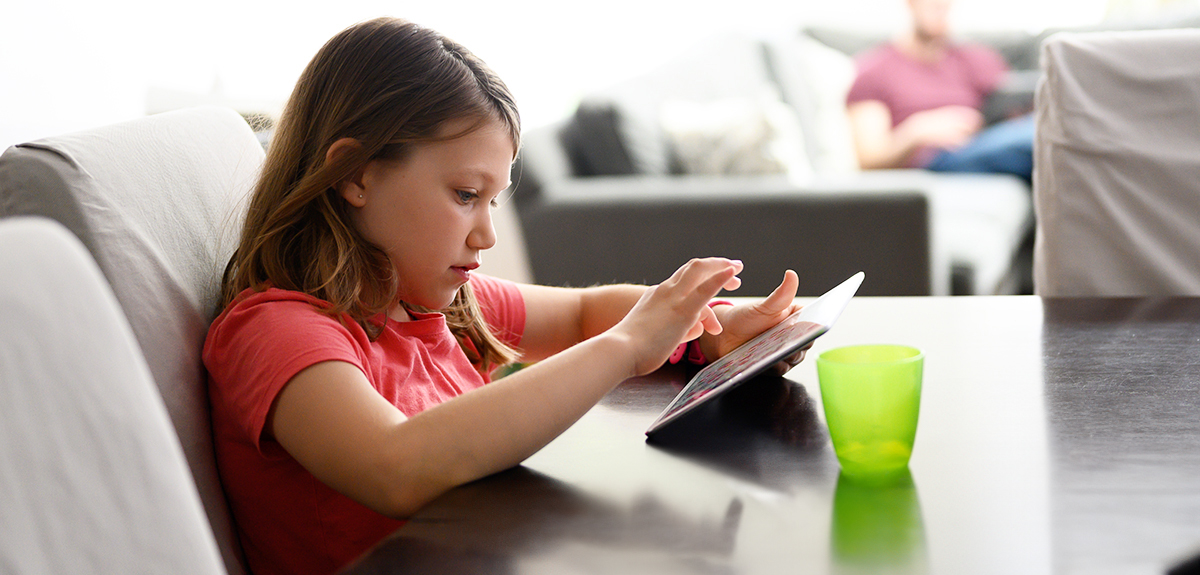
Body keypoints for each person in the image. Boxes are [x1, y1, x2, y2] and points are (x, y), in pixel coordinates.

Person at [203, 17, 807, 575]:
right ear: (354, 174)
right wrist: (626, 346)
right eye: (467, 195)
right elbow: (394, 466)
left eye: (494, 200)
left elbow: (581, 314)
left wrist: (710, 327)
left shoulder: (428, 303)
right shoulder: (277, 330)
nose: (487, 234)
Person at [845, 0, 1034, 183]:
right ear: (911, 3)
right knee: (1034, 140)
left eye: (945, 6)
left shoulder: (975, 59)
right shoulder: (874, 70)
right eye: (933, 5)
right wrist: (917, 131)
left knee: (1037, 130)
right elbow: (869, 160)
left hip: (982, 143)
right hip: (934, 159)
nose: (940, 11)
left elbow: (1010, 104)